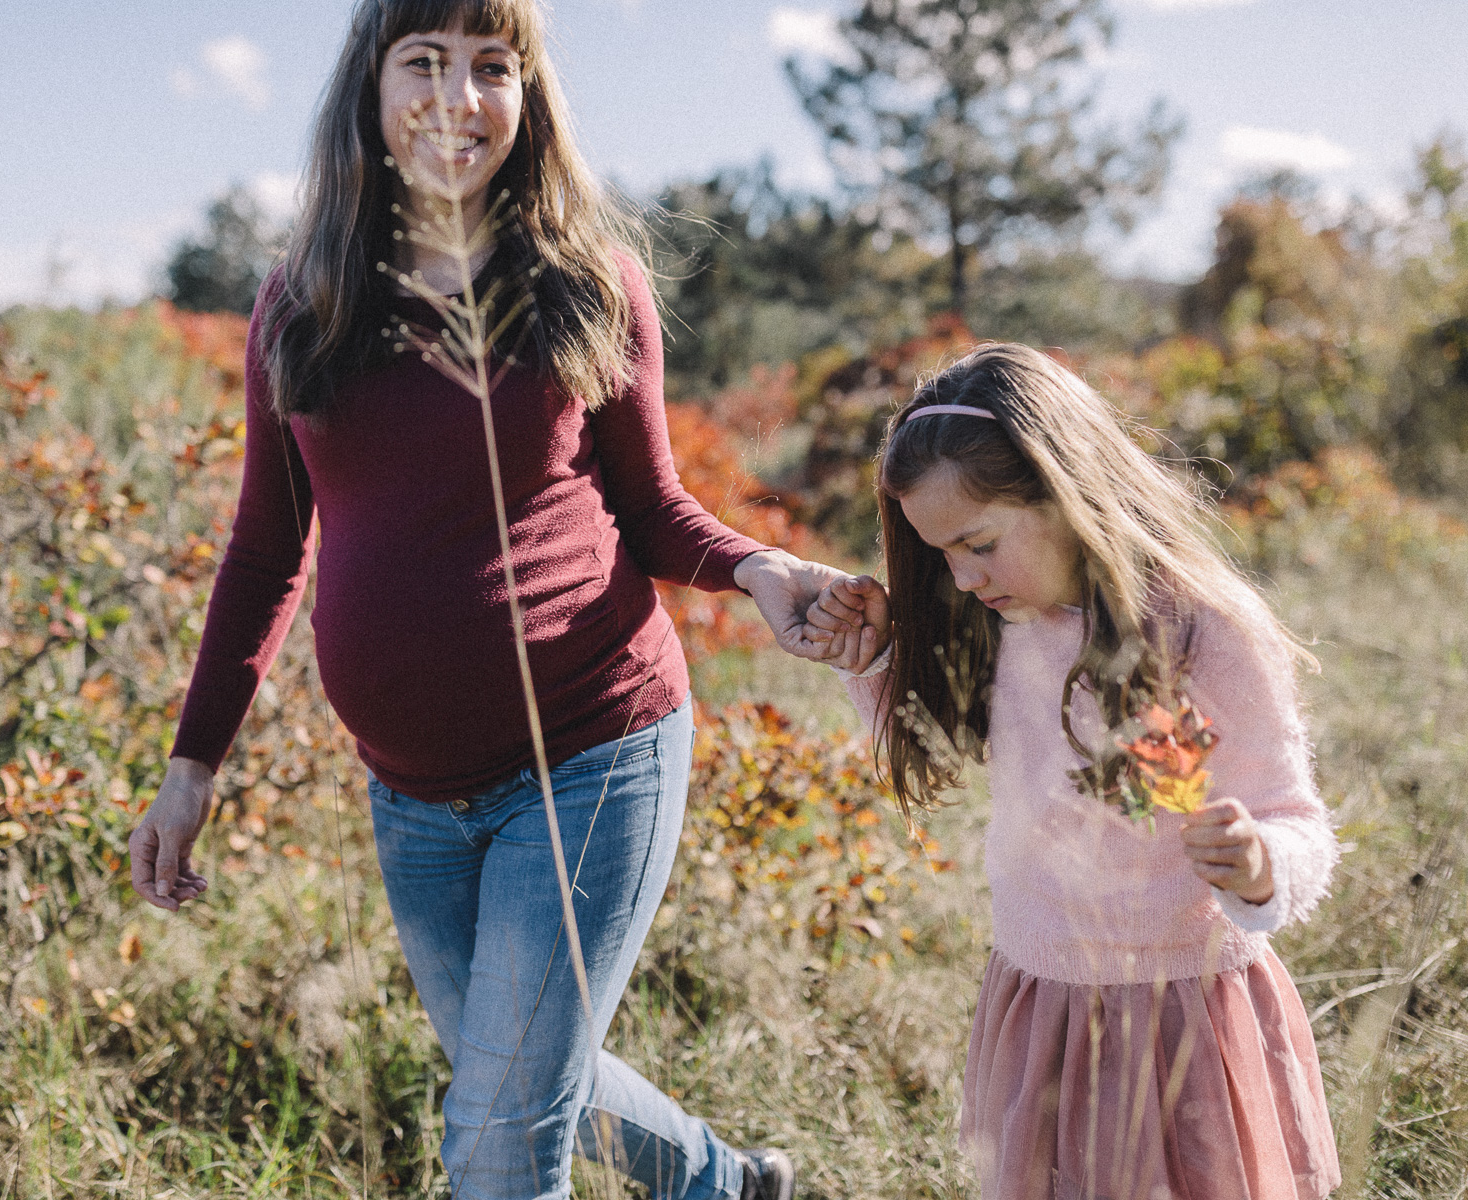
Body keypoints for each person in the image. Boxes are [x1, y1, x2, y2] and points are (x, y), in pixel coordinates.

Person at [127, 2, 848, 1197]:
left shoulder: (587, 283)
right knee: (507, 1073)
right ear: (371, 83)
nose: (457, 98)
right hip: (411, 797)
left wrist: (759, 569)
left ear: (529, 92)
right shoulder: (303, 298)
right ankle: (728, 1185)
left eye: (489, 66)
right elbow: (266, 549)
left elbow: (657, 507)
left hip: (593, 754)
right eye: (425, 62)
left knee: (499, 1144)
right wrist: (192, 765)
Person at [804, 344, 1341, 1199]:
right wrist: (869, 659)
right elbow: (935, 741)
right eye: (939, 553)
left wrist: (1261, 860)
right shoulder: (1002, 624)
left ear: (1066, 494)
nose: (962, 576)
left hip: (1183, 1013)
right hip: (1046, 1001)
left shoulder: (1202, 633)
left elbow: (1292, 814)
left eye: (978, 543)